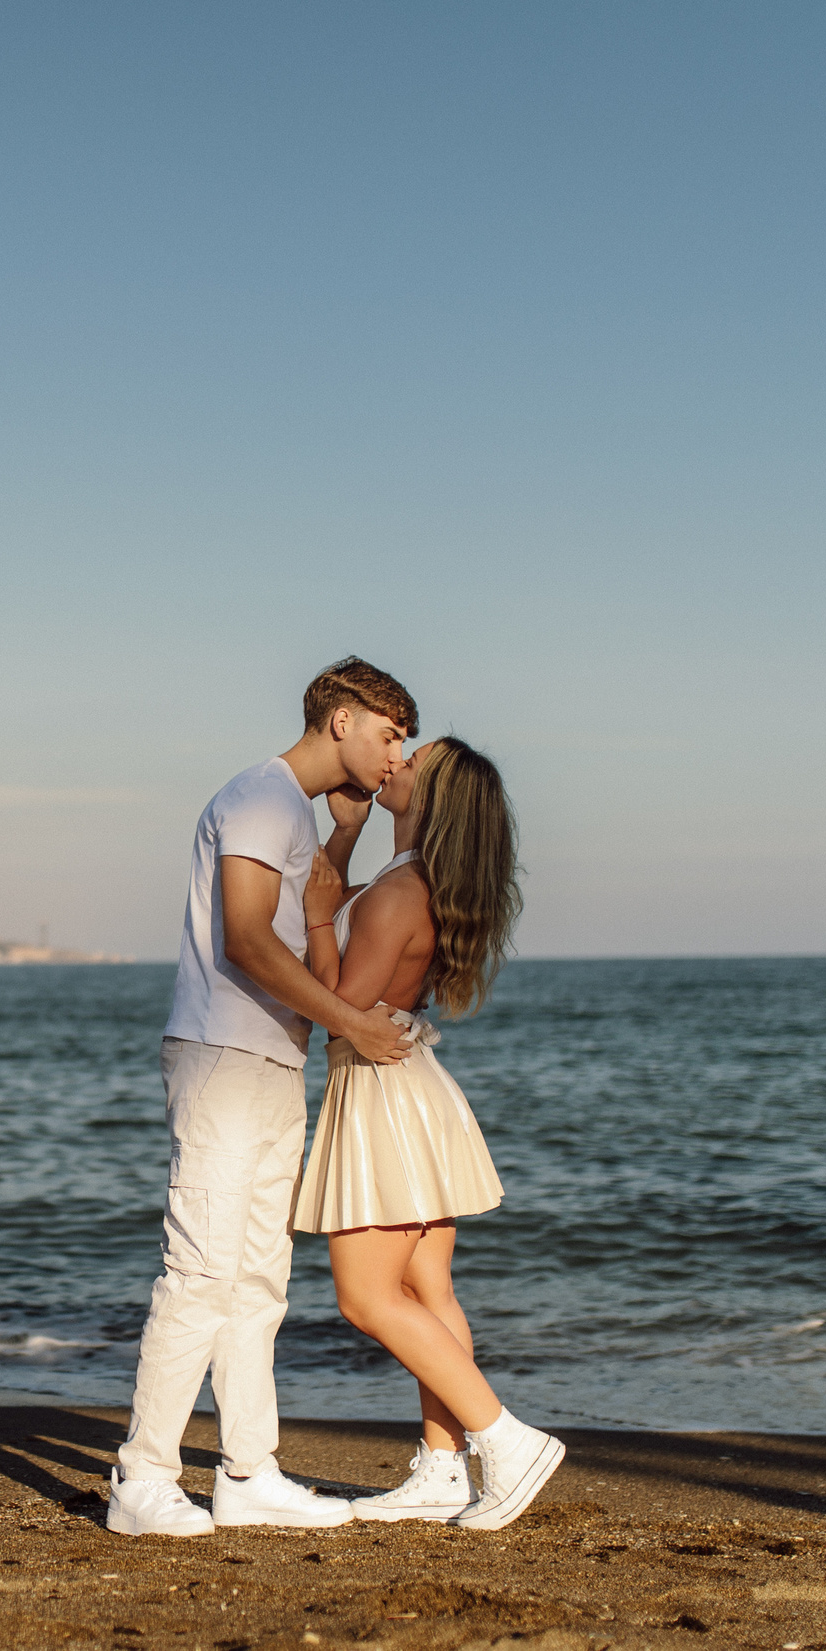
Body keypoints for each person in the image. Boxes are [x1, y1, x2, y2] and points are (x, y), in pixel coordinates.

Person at [107, 656, 422, 1538]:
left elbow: (307, 905)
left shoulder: (292, 811)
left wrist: (348, 836)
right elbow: (247, 939)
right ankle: (142, 1478)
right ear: (342, 720)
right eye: (390, 732)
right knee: (202, 1269)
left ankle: (248, 1473)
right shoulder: (260, 794)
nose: (397, 754)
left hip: (269, 1061)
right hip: (223, 1056)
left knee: (257, 1281)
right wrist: (353, 1028)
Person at [291, 734, 562, 1530]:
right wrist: (344, 841)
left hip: (379, 1092)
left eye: (413, 762)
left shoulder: (397, 893)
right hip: (411, 1086)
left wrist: (314, 913)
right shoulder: (421, 883)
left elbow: (334, 1000)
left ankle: (506, 1439)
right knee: (426, 1289)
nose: (394, 763)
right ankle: (444, 1468)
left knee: (366, 1295)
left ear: (431, 796)